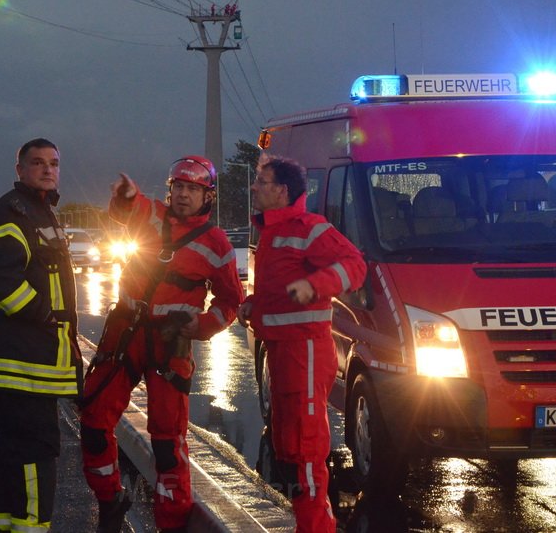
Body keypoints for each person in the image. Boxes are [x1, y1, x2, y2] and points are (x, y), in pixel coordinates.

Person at [80, 155, 243, 533]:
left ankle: (171, 524)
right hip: (126, 333)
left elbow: (230, 301)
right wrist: (125, 195)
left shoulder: (217, 245)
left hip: (171, 344)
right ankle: (109, 498)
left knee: (168, 445)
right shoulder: (151, 214)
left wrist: (200, 326)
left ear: (208, 197)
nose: (184, 195)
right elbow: (127, 209)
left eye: (193, 190)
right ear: (169, 190)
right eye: (179, 187)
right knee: (93, 418)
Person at [238, 156, 366, 533]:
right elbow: (279, 290)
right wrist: (253, 305)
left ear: (282, 191)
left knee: (307, 450)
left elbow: (354, 265)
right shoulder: (272, 233)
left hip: (306, 352)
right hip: (281, 352)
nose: (254, 187)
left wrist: (316, 285)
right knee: (289, 449)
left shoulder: (310, 228)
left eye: (261, 181)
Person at [0, 139, 81, 533]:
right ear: (19, 169)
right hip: (24, 359)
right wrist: (44, 316)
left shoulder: (41, 212)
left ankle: (5, 524)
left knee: (12, 449)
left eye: (54, 163)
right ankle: (32, 528)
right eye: (37, 163)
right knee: (37, 450)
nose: (47, 169)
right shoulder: (13, 211)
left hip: (26, 358)